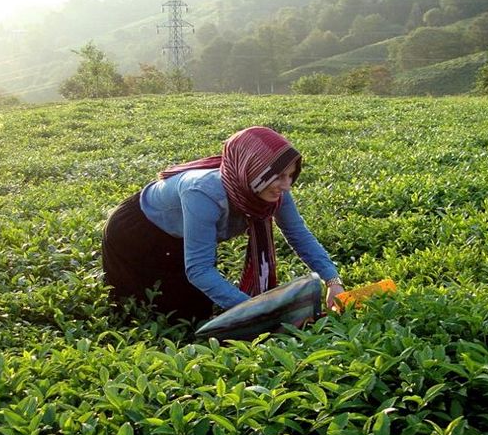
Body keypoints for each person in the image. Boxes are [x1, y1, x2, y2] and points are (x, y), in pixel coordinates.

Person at [101, 126, 344, 321]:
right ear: (253, 170)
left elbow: (298, 235)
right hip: (137, 234)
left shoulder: (273, 190)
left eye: (291, 175)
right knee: (159, 314)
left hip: (181, 236)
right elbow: (199, 268)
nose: (287, 185)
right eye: (279, 176)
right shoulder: (204, 193)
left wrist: (333, 281)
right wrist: (258, 310)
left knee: (199, 310)